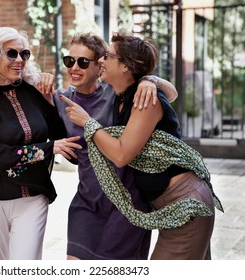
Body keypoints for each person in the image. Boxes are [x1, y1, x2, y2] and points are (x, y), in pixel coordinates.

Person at [60, 33, 223, 260]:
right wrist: (150, 79)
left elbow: (121, 154)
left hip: (185, 206)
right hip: (169, 208)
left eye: (107, 56)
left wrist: (88, 122)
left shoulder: (145, 100)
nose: (101, 61)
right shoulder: (122, 95)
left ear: (126, 66)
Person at [50, 33, 179, 260]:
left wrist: (150, 80)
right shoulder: (61, 98)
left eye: (82, 62)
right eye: (69, 61)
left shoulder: (115, 92)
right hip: (87, 200)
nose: (74, 68)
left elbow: (170, 93)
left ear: (100, 63)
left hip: (126, 202)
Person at [0, 27, 82, 260]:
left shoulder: (35, 92)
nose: (20, 60)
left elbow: (65, 143)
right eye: (11, 54)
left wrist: (49, 102)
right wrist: (48, 148)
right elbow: (0, 157)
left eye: (24, 54)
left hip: (34, 197)